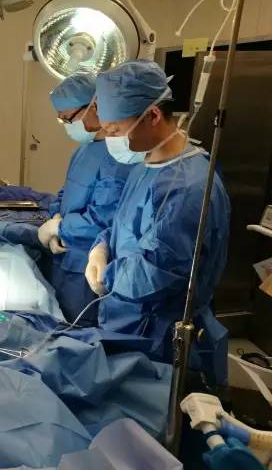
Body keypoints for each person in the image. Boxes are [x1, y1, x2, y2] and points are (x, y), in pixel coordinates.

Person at [85, 60, 231, 384]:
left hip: (159, 337)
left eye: (115, 130)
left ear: (152, 115)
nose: (109, 138)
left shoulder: (187, 187)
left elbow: (158, 270)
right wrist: (101, 246)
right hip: (130, 321)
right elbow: (124, 224)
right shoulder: (146, 165)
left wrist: (107, 275)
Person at [38, 72, 134, 325]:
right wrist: (55, 216)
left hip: (87, 264)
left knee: (82, 330)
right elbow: (66, 191)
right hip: (64, 259)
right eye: (61, 119)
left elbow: (105, 218)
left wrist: (60, 228)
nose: (67, 125)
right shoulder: (83, 150)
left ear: (95, 106)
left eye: (69, 118)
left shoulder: (119, 158)